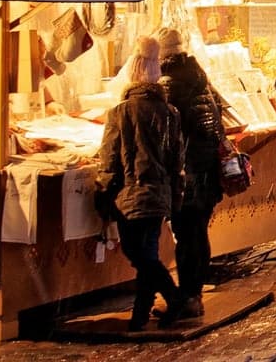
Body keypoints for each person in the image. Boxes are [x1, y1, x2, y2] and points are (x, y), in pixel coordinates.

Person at [95, 35, 188, 331]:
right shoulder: (170, 113)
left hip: (131, 193)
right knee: (146, 252)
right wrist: (175, 194)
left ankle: (174, 299)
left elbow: (110, 160)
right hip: (159, 193)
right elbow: (177, 160)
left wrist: (103, 193)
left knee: (139, 254)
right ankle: (140, 313)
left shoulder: (121, 112)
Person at [157, 28, 225, 316]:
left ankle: (187, 298)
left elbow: (168, 131)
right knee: (198, 234)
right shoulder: (201, 82)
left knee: (187, 238)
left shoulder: (171, 86)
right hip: (208, 172)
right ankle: (194, 295)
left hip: (189, 175)